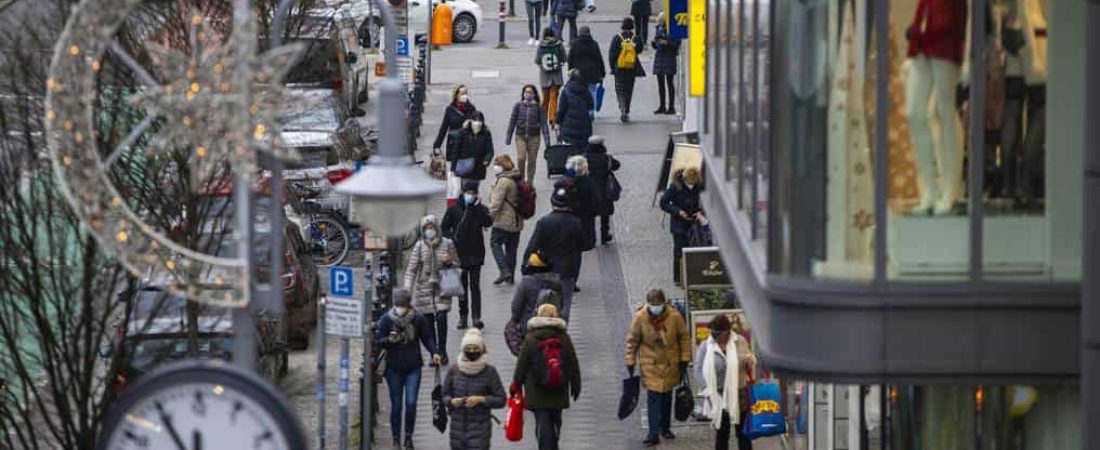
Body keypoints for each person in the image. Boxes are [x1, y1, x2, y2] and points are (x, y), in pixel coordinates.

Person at [375, 290, 443, 450]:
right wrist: (390, 340)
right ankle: (396, 439)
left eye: (403, 306)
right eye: (398, 306)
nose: (401, 309)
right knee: (397, 404)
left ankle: (408, 437)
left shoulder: (417, 319)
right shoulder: (386, 319)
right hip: (393, 368)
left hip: (413, 367)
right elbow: (379, 341)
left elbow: (426, 337)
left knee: (411, 403)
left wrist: (434, 352)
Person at [625, 289, 692, 447]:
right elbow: (632, 340)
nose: (656, 308)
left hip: (670, 363)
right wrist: (630, 360)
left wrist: (684, 359)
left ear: (664, 303)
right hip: (650, 363)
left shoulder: (675, 317)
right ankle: (653, 432)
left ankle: (665, 427)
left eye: (658, 304)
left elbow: (684, 338)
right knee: (653, 398)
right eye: (653, 305)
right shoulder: (640, 317)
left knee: (667, 397)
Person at [511, 303, 581, 450]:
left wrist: (516, 385)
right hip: (559, 389)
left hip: (536, 391)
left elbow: (521, 365)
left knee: (542, 424)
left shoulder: (530, 339)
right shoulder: (563, 337)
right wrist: (576, 384)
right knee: (555, 420)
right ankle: (553, 441)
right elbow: (572, 362)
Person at [523, 184, 585, 321]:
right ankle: (562, 329)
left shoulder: (544, 222)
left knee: (544, 300)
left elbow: (532, 246)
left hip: (547, 268)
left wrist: (525, 265)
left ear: (552, 203)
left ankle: (545, 323)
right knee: (566, 302)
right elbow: (584, 244)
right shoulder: (575, 222)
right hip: (568, 270)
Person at [694, 314, 757, 450]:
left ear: (727, 331)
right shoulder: (707, 345)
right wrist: (707, 390)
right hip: (718, 395)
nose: (714, 336)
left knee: (743, 434)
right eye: (713, 333)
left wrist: (749, 362)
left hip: (739, 393)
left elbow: (747, 362)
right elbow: (697, 369)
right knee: (722, 434)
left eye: (718, 333)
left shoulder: (740, 341)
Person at [404, 215, 459, 364]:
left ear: (437, 228)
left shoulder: (447, 243)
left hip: (442, 287)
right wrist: (407, 288)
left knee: (441, 319)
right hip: (424, 288)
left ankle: (442, 350)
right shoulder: (419, 246)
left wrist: (450, 261)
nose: (430, 231)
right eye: (427, 228)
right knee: (427, 324)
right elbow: (412, 269)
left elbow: (457, 263)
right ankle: (434, 353)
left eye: (432, 228)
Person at [442, 329, 507, 450]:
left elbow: (501, 399)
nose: (472, 351)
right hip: (457, 429)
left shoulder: (489, 372)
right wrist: (451, 401)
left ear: (481, 350)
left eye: (475, 348)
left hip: (480, 428)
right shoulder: (454, 370)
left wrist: (481, 399)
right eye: (469, 348)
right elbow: (444, 394)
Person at [443, 181, 494, 330]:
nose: (470, 195)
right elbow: (444, 228)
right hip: (459, 253)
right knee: (462, 287)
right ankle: (463, 316)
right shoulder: (453, 210)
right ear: (462, 192)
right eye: (468, 192)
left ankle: (476, 317)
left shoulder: (480, 209)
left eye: (473, 193)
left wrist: (478, 208)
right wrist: (452, 238)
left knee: (475, 286)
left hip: (476, 252)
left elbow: (488, 223)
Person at [659, 167, 704, 286]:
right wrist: (678, 211)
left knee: (694, 249)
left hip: (694, 223)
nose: (691, 185)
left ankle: (692, 275)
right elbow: (663, 203)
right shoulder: (675, 187)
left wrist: (701, 212)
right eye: (690, 183)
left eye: (693, 183)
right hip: (679, 224)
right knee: (679, 251)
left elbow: (706, 200)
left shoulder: (699, 185)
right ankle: (678, 278)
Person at [563, 156, 598, 289]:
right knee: (576, 255)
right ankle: (573, 280)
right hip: (582, 223)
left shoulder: (564, 182)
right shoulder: (588, 183)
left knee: (565, 252)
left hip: (565, 222)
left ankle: (564, 277)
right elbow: (595, 202)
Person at [488, 154, 524, 285]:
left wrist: (489, 218)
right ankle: (510, 276)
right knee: (511, 249)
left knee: (495, 243)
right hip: (517, 221)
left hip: (504, 220)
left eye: (496, 165)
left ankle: (504, 270)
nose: (494, 168)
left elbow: (496, 203)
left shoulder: (503, 181)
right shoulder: (516, 177)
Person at [506, 85, 551, 183]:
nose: (528, 94)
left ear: (534, 94)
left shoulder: (538, 107)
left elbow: (544, 124)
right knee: (521, 158)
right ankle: (521, 180)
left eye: (530, 92)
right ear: (523, 94)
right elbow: (512, 121)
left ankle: (529, 183)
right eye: (526, 92)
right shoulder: (518, 106)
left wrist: (547, 140)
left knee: (532, 161)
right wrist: (508, 137)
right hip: (520, 136)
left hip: (534, 138)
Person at [583, 135, 621, 244]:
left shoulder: (584, 158)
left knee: (590, 216)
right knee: (605, 216)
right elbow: (617, 165)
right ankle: (604, 236)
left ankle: (592, 238)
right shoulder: (606, 158)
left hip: (589, 193)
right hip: (604, 192)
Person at [510, 252, 564, 328]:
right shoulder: (557, 282)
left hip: (530, 326)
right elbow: (561, 304)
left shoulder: (526, 282)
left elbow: (516, 306)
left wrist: (514, 321)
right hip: (553, 325)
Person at [608, 17, 646, 123]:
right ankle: (627, 110)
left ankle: (622, 107)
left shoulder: (617, 38)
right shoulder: (636, 38)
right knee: (629, 90)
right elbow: (640, 49)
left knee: (619, 90)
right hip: (631, 68)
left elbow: (612, 54)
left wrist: (612, 67)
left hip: (619, 68)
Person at [567, 26, 606, 118]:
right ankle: (591, 111)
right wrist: (602, 72)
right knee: (592, 91)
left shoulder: (575, 44)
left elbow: (570, 59)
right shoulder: (594, 44)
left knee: (579, 92)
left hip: (578, 73)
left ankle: (581, 110)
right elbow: (599, 59)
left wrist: (570, 71)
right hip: (592, 72)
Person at [451, 111, 495, 188]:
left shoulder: (486, 133)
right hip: (464, 166)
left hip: (478, 167)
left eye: (479, 120)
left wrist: (487, 160)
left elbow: (490, 150)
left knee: (473, 189)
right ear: (471, 121)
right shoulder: (463, 132)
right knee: (464, 188)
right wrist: (453, 168)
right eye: (475, 120)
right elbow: (456, 150)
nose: (477, 123)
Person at [555, 70, 595, 153]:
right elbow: (591, 105)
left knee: (569, 150)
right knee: (583, 148)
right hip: (584, 123)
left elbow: (562, 109)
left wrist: (557, 122)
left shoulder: (566, 91)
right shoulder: (585, 89)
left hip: (568, 124)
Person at [434, 84, 478, 156]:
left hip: (467, 144)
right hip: (454, 144)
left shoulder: (471, 108)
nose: (465, 96)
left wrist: (469, 122)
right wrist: (437, 145)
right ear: (457, 95)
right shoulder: (450, 109)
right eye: (462, 94)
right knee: (455, 166)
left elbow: (477, 125)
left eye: (466, 93)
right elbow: (444, 128)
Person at [651, 14, 681, 115]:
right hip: (660, 55)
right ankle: (662, 105)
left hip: (669, 56)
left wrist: (666, 42)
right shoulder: (658, 29)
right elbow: (656, 42)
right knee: (660, 83)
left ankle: (671, 106)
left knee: (669, 83)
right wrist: (655, 43)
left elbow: (676, 44)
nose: (659, 23)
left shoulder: (672, 30)